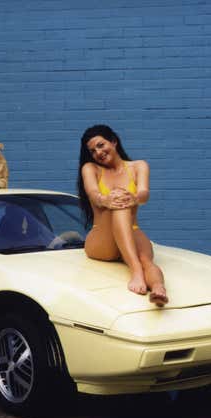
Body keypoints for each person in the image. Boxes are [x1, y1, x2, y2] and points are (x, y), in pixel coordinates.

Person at [77, 125, 168, 306]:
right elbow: (93, 193)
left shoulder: (138, 166)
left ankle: (159, 289)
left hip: (131, 231)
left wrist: (134, 198)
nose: (98, 153)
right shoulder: (91, 168)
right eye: (93, 151)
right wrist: (106, 200)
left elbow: (144, 193)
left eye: (101, 145)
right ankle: (135, 272)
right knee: (119, 199)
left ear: (114, 141)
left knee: (147, 260)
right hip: (102, 239)